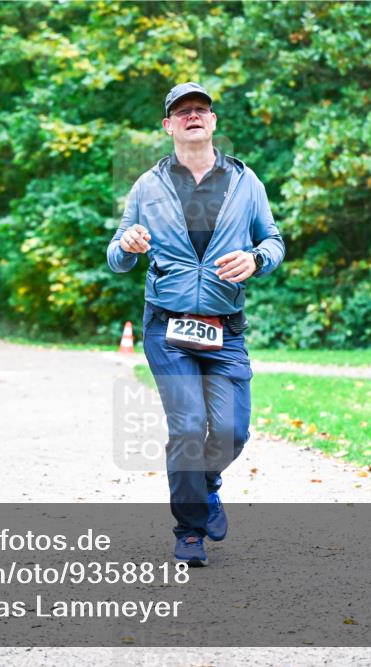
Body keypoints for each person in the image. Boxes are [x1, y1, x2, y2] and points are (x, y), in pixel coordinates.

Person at [107, 82, 285, 566]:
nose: (192, 115)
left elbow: (273, 241)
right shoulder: (148, 185)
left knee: (231, 430)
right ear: (168, 125)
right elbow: (117, 255)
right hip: (167, 326)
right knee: (187, 426)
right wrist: (128, 245)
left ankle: (204, 486)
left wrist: (257, 260)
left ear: (213, 122)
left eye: (200, 109)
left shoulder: (247, 183)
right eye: (181, 111)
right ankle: (189, 531)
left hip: (225, 327)